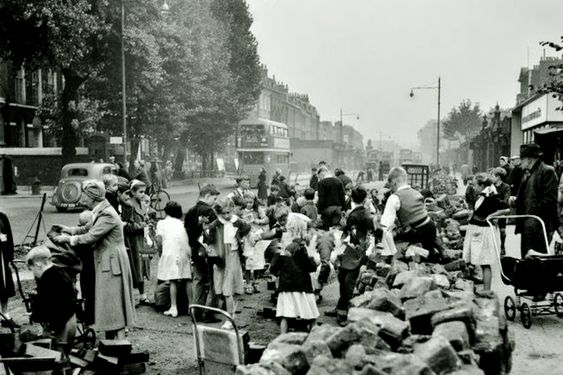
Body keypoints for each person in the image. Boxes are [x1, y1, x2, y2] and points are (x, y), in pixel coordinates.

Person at [53, 180, 135, 339]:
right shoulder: (100, 209)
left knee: (113, 304)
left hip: (112, 262)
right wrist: (68, 229)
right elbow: (87, 228)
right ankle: (111, 341)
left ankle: (120, 344)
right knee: (108, 303)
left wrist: (69, 239)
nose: (82, 198)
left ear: (92, 197)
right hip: (108, 260)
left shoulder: (107, 214)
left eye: (84, 195)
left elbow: (91, 236)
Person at [327, 187, 373, 325]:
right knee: (347, 281)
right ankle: (341, 308)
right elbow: (370, 235)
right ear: (365, 199)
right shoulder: (368, 214)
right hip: (360, 251)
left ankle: (345, 313)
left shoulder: (353, 215)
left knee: (345, 282)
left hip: (349, 251)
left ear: (351, 199)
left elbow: (349, 233)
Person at [206, 198, 251, 329]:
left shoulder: (238, 222)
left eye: (228, 212)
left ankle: (229, 319)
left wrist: (245, 244)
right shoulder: (215, 224)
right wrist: (209, 247)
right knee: (219, 289)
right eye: (223, 213)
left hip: (232, 255)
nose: (226, 216)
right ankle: (227, 312)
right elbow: (208, 240)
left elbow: (247, 232)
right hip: (219, 258)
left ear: (232, 210)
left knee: (227, 290)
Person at [381, 167, 443, 262]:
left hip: (416, 233)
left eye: (390, 185)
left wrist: (388, 253)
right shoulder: (416, 193)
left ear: (394, 182)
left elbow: (385, 227)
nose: (391, 188)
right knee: (428, 261)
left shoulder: (394, 197)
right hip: (430, 229)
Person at [463, 174, 509, 293]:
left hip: (483, 231)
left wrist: (492, 216)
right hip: (477, 229)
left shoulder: (491, 195)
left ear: (482, 185)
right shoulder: (483, 195)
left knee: (484, 261)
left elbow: (506, 208)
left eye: (475, 185)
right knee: (479, 260)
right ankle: (484, 288)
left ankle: (487, 289)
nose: (474, 187)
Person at [26, 245, 77, 352]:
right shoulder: (61, 272)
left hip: (59, 328)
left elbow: (46, 306)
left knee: (55, 356)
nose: (33, 274)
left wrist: (35, 314)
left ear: (37, 265)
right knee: (65, 356)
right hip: (71, 321)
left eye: (32, 270)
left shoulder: (47, 279)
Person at [512, 144, 559, 257]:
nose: (520, 161)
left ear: (530, 159)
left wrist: (534, 215)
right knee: (526, 260)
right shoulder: (528, 173)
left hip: (539, 225)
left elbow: (550, 200)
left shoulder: (546, 171)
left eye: (522, 158)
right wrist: (516, 200)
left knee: (537, 261)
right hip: (527, 224)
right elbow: (526, 196)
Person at [184, 185, 220, 323]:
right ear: (207, 196)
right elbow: (213, 233)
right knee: (212, 281)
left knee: (198, 280)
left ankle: (195, 311)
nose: (215, 202)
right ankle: (209, 312)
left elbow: (186, 231)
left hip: (194, 248)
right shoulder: (208, 211)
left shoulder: (191, 211)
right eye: (214, 198)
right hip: (208, 250)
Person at [270, 240, 319, 334]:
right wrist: (306, 254)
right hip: (304, 290)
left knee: (285, 315)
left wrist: (277, 257)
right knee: (311, 315)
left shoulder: (282, 259)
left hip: (286, 289)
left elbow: (273, 269)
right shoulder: (304, 259)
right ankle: (315, 336)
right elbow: (313, 267)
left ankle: (282, 337)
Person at [156, 201, 192, 318]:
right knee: (186, 278)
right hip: (183, 250)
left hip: (170, 251)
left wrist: (161, 252)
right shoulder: (181, 223)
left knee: (173, 280)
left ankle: (173, 307)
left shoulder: (162, 223)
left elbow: (159, 240)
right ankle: (191, 306)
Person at [122, 180, 152, 305]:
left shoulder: (142, 203)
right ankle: (130, 297)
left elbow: (146, 217)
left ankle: (142, 295)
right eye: (140, 192)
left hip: (143, 239)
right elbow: (126, 226)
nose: (142, 194)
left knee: (143, 265)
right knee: (135, 266)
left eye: (144, 192)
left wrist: (148, 221)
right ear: (133, 192)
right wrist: (141, 225)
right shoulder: (129, 205)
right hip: (133, 241)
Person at [240, 192, 269, 294]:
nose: (248, 204)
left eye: (251, 202)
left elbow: (266, 219)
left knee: (257, 261)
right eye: (246, 202)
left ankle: (255, 282)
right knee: (248, 261)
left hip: (257, 235)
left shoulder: (257, 210)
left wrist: (258, 221)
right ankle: (247, 283)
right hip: (247, 237)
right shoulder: (241, 211)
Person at [74, 210, 95, 326]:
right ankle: (90, 317)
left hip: (86, 269)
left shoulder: (82, 238)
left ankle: (88, 317)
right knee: (90, 294)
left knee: (87, 294)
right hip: (92, 268)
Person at [0, 211, 16, 328]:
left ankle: (5, 315)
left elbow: (9, 236)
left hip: (1, 257)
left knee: (4, 286)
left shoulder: (2, 217)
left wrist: (10, 257)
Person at [491, 167, 511, 255]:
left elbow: (506, 202)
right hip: (491, 212)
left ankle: (502, 246)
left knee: (502, 231)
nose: (491, 178)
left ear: (498, 177)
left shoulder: (506, 187)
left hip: (502, 212)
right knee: (490, 231)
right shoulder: (490, 186)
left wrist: (495, 199)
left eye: (493, 176)